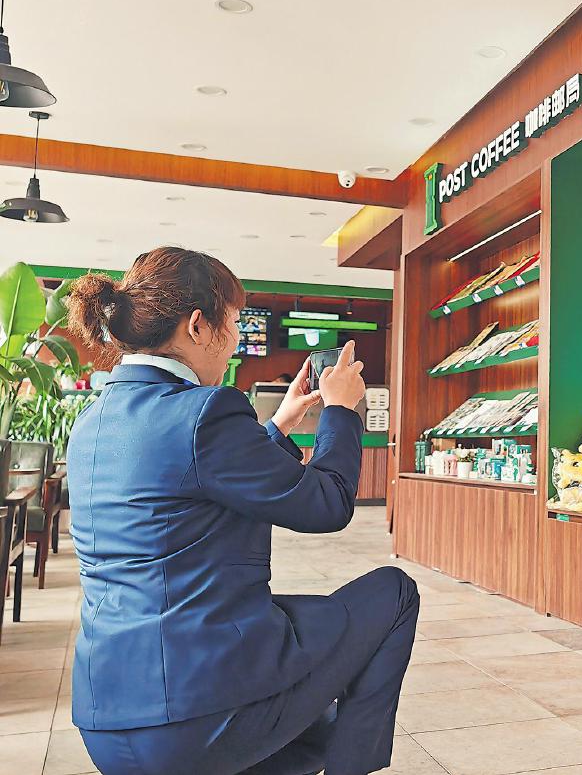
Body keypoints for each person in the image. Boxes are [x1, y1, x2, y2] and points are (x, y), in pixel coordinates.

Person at [65, 247, 418, 775]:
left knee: (318, 729)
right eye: (232, 322)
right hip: (193, 713)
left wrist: (279, 425)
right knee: (394, 592)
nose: (233, 340)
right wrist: (342, 410)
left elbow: (197, 484)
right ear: (197, 326)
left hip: (108, 719)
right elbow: (327, 504)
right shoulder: (205, 410)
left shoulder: (92, 421)